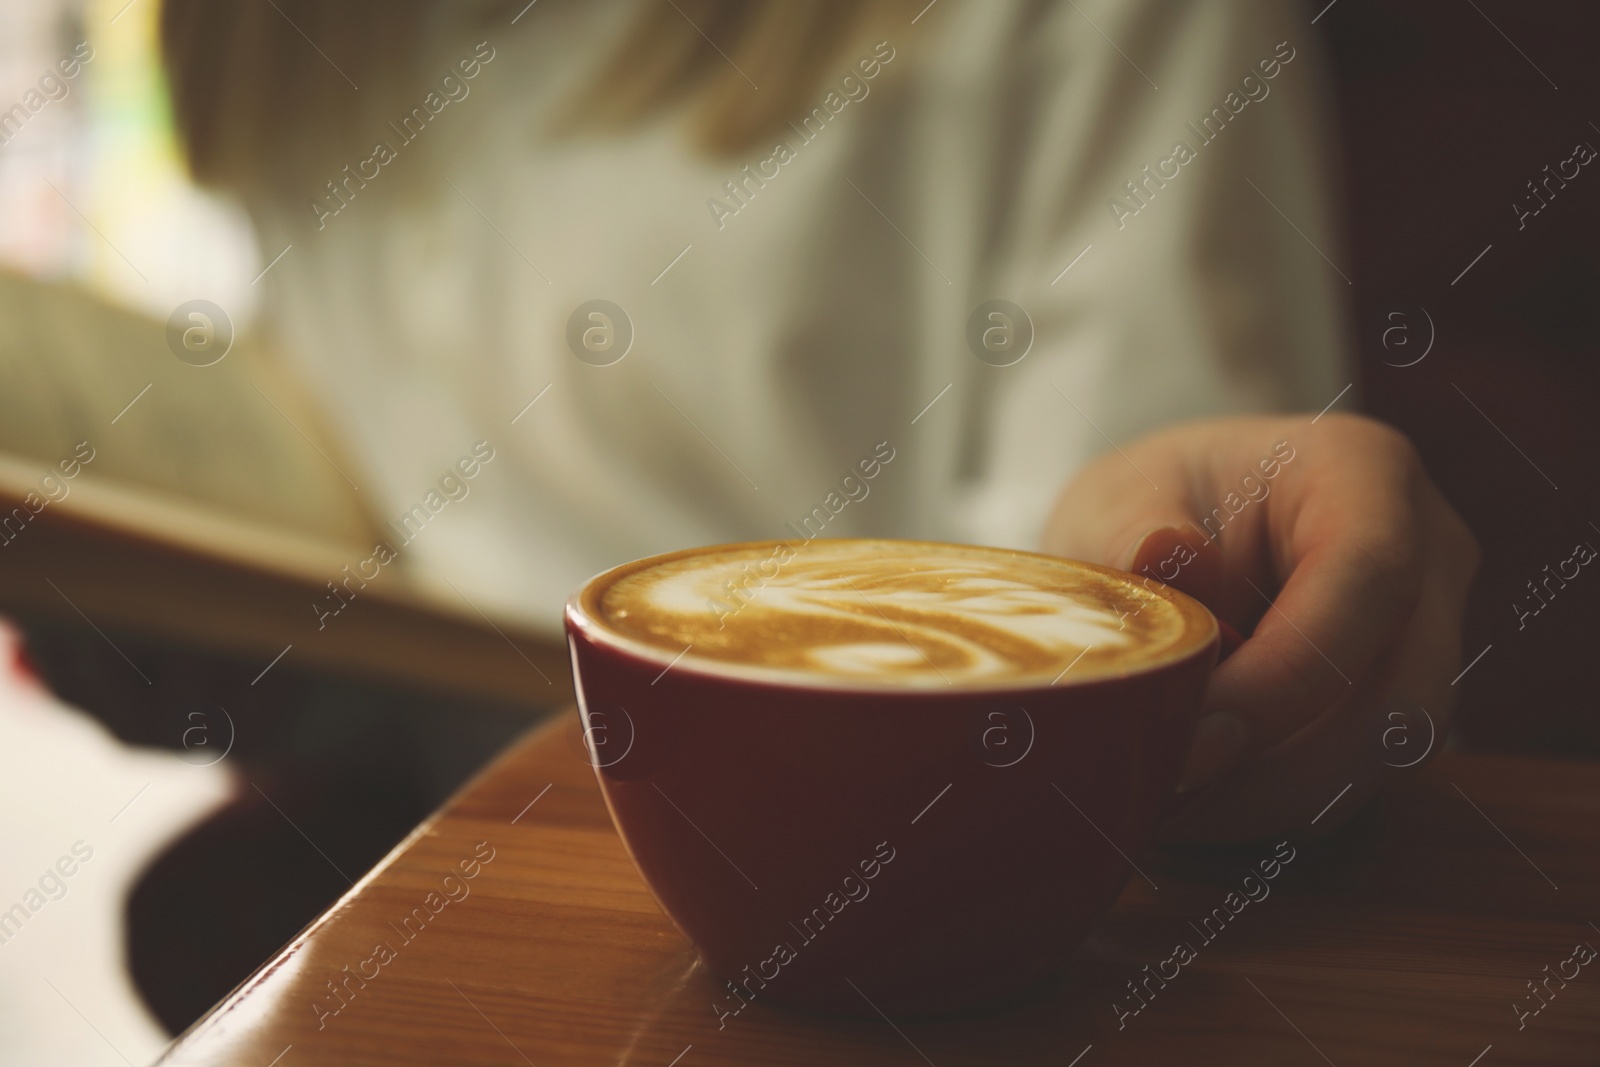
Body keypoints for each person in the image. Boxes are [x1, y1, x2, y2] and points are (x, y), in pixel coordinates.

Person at [158, 0, 1478, 840]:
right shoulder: (296, 52)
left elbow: (1120, 569)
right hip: (445, 860)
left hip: (872, 877)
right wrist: (236, 663)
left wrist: (1171, 547)